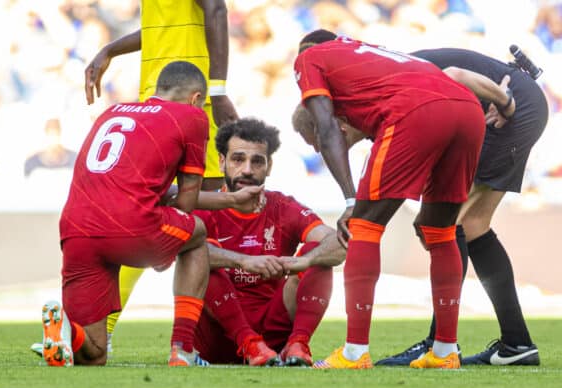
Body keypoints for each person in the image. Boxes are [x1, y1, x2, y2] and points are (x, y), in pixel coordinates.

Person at [293, 30, 496, 369]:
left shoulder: (309, 57)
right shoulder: (372, 53)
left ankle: (355, 352)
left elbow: (328, 129)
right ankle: (445, 351)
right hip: (468, 109)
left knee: (364, 226)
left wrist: (348, 199)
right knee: (440, 229)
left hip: (417, 111)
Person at [375, 47, 547, 367]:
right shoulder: (381, 72)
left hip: (509, 109)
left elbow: (456, 76)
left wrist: (505, 100)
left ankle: (438, 345)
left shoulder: (382, 81)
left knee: (443, 223)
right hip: (521, 103)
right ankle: (517, 343)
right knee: (473, 225)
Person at [84, 1, 238, 343]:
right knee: (141, 211)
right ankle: (98, 330)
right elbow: (160, 31)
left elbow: (216, 9)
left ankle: (219, 337)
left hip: (193, 97)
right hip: (158, 97)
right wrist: (111, 49)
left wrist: (218, 89)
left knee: (203, 216)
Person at [41, 61, 213, 367]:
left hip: (76, 228)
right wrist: (167, 245)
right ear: (196, 97)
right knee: (196, 232)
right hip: (132, 225)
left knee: (94, 355)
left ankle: (67, 335)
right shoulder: (192, 116)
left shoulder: (114, 111)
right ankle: (182, 349)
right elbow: (187, 201)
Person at [190, 118, 344, 366]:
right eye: (238, 159)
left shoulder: (283, 207)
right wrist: (244, 261)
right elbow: (184, 252)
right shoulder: (206, 208)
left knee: (319, 253)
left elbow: (337, 243)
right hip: (218, 337)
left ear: (269, 165)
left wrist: (304, 260)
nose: (247, 170)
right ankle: (249, 343)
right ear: (221, 162)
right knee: (198, 256)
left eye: (257, 161)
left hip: (271, 338)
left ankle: (297, 345)